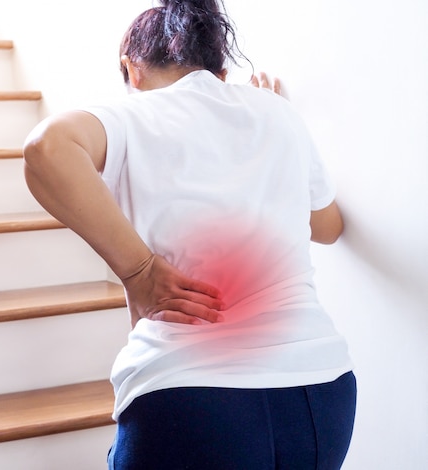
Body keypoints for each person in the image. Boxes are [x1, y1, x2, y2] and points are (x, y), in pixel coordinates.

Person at [23, 0, 356, 468]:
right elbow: (328, 226)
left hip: (193, 397)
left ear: (131, 69)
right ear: (221, 73)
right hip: (322, 392)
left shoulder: (133, 115)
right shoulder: (277, 113)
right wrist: (269, 134)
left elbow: (46, 148)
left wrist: (138, 272)